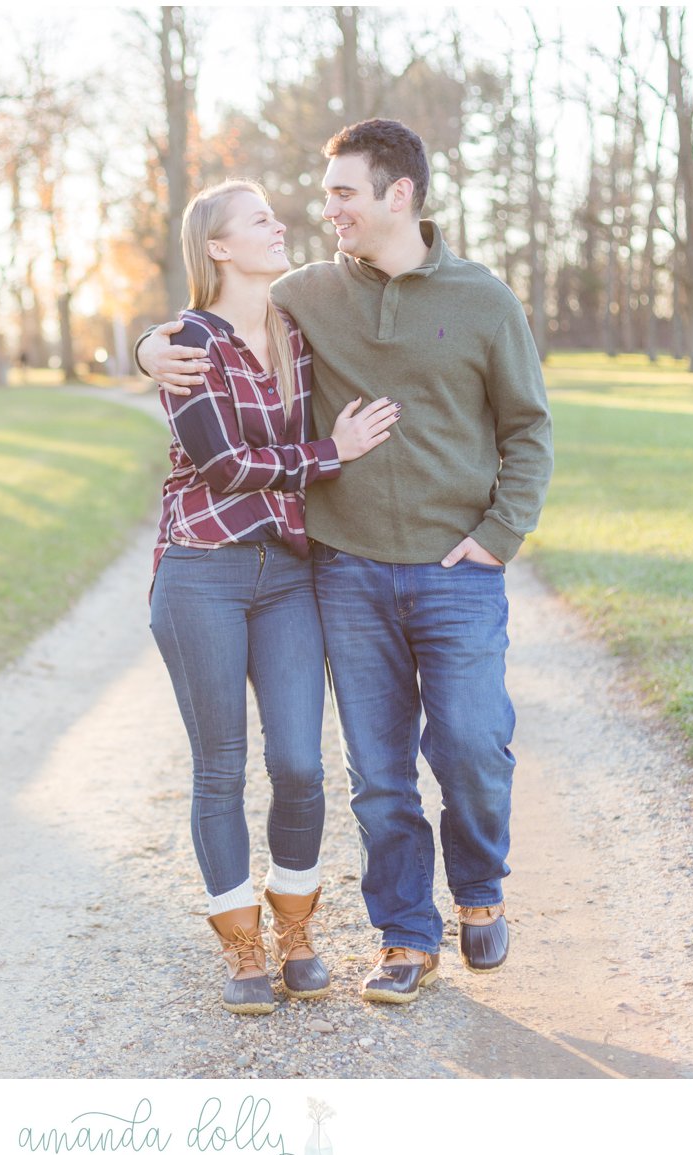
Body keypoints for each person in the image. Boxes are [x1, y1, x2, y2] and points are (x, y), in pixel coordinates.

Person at [139, 120, 553, 1006]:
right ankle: (405, 936)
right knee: (377, 776)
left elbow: (528, 430)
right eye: (323, 195)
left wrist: (500, 532)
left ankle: (477, 888)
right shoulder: (308, 293)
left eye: (341, 194)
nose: (322, 210)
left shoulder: (485, 300)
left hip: (456, 569)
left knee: (474, 746)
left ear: (396, 194)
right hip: (344, 572)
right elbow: (206, 315)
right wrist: (145, 348)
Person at [149, 179, 401, 1015]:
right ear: (218, 248)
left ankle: (296, 929)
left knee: (298, 762)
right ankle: (242, 947)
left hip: (287, 571)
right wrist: (333, 453)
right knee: (219, 767)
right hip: (202, 573)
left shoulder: (295, 332)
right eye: (258, 219)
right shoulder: (187, 342)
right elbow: (224, 465)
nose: (277, 225)